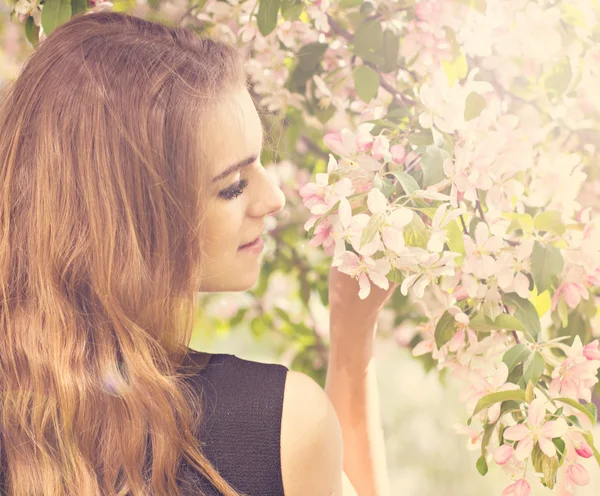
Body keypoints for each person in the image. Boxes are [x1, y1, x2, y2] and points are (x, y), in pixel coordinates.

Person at [0, 10, 397, 496]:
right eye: (233, 185)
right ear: (133, 219)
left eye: (262, 162)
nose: (273, 199)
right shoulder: (276, 423)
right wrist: (353, 347)